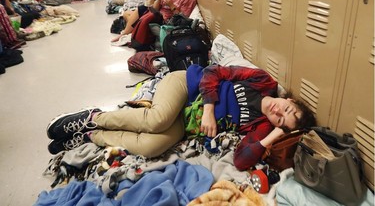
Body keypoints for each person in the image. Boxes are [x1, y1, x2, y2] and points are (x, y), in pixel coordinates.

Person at [46, 64, 316, 168]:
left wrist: (275, 135)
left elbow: (242, 160)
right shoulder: (261, 81)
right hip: (186, 87)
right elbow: (214, 71)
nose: (278, 113)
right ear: (288, 99)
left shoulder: (261, 127)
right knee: (156, 120)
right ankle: (94, 116)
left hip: (187, 123)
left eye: (281, 121)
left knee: (153, 146)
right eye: (286, 109)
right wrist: (209, 108)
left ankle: (91, 135)